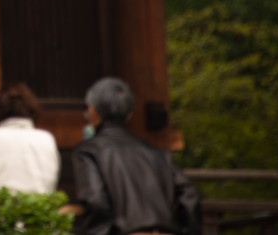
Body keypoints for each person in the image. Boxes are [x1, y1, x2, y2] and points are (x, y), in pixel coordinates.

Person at [63, 77, 201, 235]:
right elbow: (189, 194)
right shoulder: (156, 153)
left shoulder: (89, 151)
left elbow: (96, 200)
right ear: (130, 114)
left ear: (92, 111)